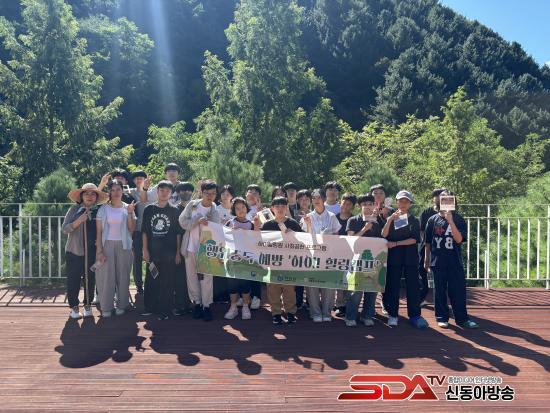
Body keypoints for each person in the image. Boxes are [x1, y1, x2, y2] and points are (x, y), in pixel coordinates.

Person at [424, 191, 479, 329]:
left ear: (454, 201)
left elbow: (459, 239)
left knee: (458, 290)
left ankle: (462, 319)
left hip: (454, 261)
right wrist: (426, 259)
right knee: (439, 291)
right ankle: (442, 317)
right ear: (439, 201)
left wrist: (450, 221)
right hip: (438, 261)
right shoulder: (432, 220)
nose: (447, 202)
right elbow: (428, 242)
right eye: (444, 199)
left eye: (450, 199)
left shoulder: (458, 219)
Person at [381, 191, 428, 329]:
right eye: (401, 201)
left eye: (406, 201)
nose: (403, 204)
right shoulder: (391, 218)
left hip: (410, 257)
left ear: (410, 204)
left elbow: (414, 239)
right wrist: (389, 220)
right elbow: (384, 234)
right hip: (393, 258)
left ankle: (415, 315)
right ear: (396, 202)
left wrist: (396, 243)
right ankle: (393, 315)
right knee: (393, 286)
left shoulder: (414, 220)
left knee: (413, 287)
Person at [63, 183, 108, 319]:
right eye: (86, 193)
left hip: (92, 251)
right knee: (73, 279)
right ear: (81, 196)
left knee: (90, 279)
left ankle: (88, 304)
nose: (89, 196)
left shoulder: (99, 211)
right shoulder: (74, 209)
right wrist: (79, 220)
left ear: (96, 197)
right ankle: (74, 307)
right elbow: (65, 229)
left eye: (93, 194)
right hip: (74, 251)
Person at [178, 180, 220, 321]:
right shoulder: (193, 205)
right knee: (191, 277)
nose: (210, 196)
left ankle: (206, 306)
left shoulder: (215, 210)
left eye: (213, 193)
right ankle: (197, 303)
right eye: (207, 193)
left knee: (207, 278)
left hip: (207, 249)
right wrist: (196, 221)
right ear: (202, 192)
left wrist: (209, 223)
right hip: (191, 247)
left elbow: (217, 229)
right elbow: (182, 222)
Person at [141, 181, 183, 320]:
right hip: (153, 252)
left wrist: (178, 252)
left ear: (171, 193)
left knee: (167, 281)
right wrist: (145, 250)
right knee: (152, 279)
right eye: (162, 190)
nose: (165, 193)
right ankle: (150, 307)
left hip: (169, 252)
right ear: (157, 191)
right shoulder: (149, 209)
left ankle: (165, 309)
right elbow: (145, 231)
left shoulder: (174, 210)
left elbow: (178, 233)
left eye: (167, 191)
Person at [95, 180, 136, 317]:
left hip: (124, 245)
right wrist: (99, 251)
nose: (116, 192)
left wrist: (130, 213)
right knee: (106, 276)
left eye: (118, 189)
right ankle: (106, 307)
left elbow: (132, 229)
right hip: (107, 245)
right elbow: (99, 232)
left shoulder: (128, 207)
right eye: (113, 190)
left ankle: (121, 305)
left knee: (123, 276)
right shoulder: (103, 209)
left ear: (122, 190)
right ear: (109, 192)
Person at [259, 196, 303, 324]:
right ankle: (276, 313)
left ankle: (290, 312)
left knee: (289, 290)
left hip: (289, 263)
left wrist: (293, 235)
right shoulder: (267, 225)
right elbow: (260, 243)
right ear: (272, 209)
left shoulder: (293, 223)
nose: (280, 209)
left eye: (283, 206)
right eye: (277, 206)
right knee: (273, 290)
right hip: (272, 263)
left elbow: (302, 242)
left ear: (287, 208)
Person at [301, 189, 341, 322]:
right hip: (312, 256)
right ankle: (315, 313)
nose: (316, 200)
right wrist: (308, 224)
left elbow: (337, 236)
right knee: (312, 285)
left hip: (329, 256)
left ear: (324, 199)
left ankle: (327, 313)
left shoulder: (332, 216)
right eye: (313, 198)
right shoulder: (307, 216)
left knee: (328, 285)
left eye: (318, 197)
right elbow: (305, 238)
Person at [344, 194, 381, 327]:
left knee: (372, 289)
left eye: (370, 204)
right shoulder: (353, 220)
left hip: (373, 260)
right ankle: (350, 317)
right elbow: (350, 240)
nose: (367, 206)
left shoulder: (377, 222)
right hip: (356, 260)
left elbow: (381, 240)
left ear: (374, 206)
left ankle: (367, 316)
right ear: (360, 206)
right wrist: (365, 229)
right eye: (364, 204)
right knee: (355, 290)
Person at [224, 197, 258, 320]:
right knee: (232, 285)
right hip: (232, 259)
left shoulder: (251, 224)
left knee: (245, 284)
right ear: (234, 210)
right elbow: (222, 238)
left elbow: (257, 240)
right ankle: (233, 307)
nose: (241, 210)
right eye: (237, 208)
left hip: (246, 260)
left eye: (243, 207)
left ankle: (245, 307)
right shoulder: (229, 223)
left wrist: (256, 227)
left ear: (247, 208)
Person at [418, 188, 446, 304]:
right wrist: (426, 244)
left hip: (442, 249)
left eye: (441, 195)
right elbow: (421, 231)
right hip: (426, 246)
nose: (438, 197)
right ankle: (421, 297)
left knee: (441, 275)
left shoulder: (449, 213)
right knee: (422, 271)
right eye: (436, 195)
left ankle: (441, 302)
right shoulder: (426, 212)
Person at [172, 182, 195, 315]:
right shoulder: (175, 209)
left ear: (192, 192)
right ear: (178, 193)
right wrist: (177, 252)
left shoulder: (196, 208)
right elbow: (176, 232)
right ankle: (181, 304)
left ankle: (196, 303)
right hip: (181, 247)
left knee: (194, 277)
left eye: (188, 190)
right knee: (180, 278)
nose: (185, 193)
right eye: (181, 191)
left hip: (195, 246)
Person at [333, 192, 357, 316]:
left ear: (353, 206)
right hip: (335, 254)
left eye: (349, 204)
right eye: (344, 203)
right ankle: (339, 305)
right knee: (338, 280)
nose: (345, 206)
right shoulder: (333, 218)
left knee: (348, 280)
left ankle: (348, 304)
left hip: (350, 254)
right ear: (340, 203)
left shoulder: (354, 220)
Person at [129, 170, 150, 294]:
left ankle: (150, 283)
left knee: (150, 258)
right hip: (136, 230)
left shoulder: (151, 192)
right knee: (136, 259)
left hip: (149, 231)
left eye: (141, 177)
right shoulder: (129, 192)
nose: (139, 180)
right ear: (133, 180)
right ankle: (138, 285)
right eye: (136, 178)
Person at [244, 184, 263, 309]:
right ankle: (245, 296)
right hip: (243, 244)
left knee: (255, 271)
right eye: (249, 192)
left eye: (255, 193)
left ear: (259, 196)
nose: (252, 195)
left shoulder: (262, 210)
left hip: (257, 245)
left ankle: (256, 297)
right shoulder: (240, 207)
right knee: (243, 270)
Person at [293, 189, 312, 308]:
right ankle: (298, 301)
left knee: (311, 277)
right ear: (298, 201)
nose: (304, 201)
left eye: (306, 199)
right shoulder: (293, 214)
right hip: (297, 249)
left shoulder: (315, 214)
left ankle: (311, 302)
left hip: (312, 249)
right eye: (301, 199)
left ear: (310, 201)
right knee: (298, 278)